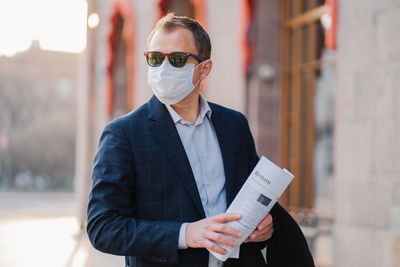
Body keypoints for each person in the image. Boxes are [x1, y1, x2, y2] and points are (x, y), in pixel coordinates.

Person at [87, 13, 314, 267]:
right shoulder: (123, 134)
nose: (163, 68)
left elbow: (249, 203)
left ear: (204, 68)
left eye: (176, 59)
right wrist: (186, 234)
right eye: (154, 58)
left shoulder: (233, 125)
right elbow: (102, 227)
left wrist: (265, 227)